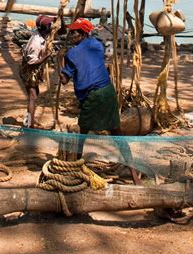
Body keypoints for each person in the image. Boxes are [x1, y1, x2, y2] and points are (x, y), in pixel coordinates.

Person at [60, 18, 140, 184]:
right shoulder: (96, 45)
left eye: (74, 32)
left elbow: (63, 80)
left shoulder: (71, 54)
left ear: (82, 34)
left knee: (81, 135)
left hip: (93, 96)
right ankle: (134, 177)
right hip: (108, 92)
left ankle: (75, 171)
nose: (71, 35)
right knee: (117, 134)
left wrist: (59, 61)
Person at [20, 14, 54, 128]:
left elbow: (60, 29)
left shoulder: (42, 34)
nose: (52, 26)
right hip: (30, 70)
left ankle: (28, 120)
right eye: (50, 25)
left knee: (34, 94)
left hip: (34, 70)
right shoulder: (36, 42)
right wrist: (46, 56)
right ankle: (29, 124)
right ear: (45, 28)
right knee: (32, 96)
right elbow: (31, 62)